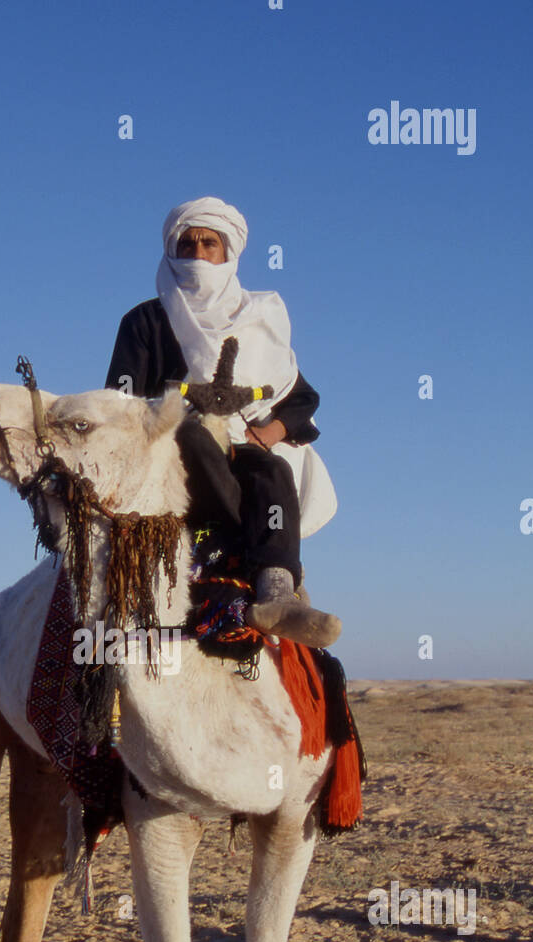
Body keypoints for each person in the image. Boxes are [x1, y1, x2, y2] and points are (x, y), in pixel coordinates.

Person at [105, 196, 341, 648]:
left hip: (245, 446)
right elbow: (121, 399)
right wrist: (174, 410)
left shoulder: (257, 319)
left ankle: (278, 593)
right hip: (173, 450)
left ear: (227, 252)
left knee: (271, 469)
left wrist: (267, 433)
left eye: (208, 244)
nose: (197, 254)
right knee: (191, 433)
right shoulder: (145, 322)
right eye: (187, 244)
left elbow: (300, 396)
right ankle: (239, 540)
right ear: (171, 250)